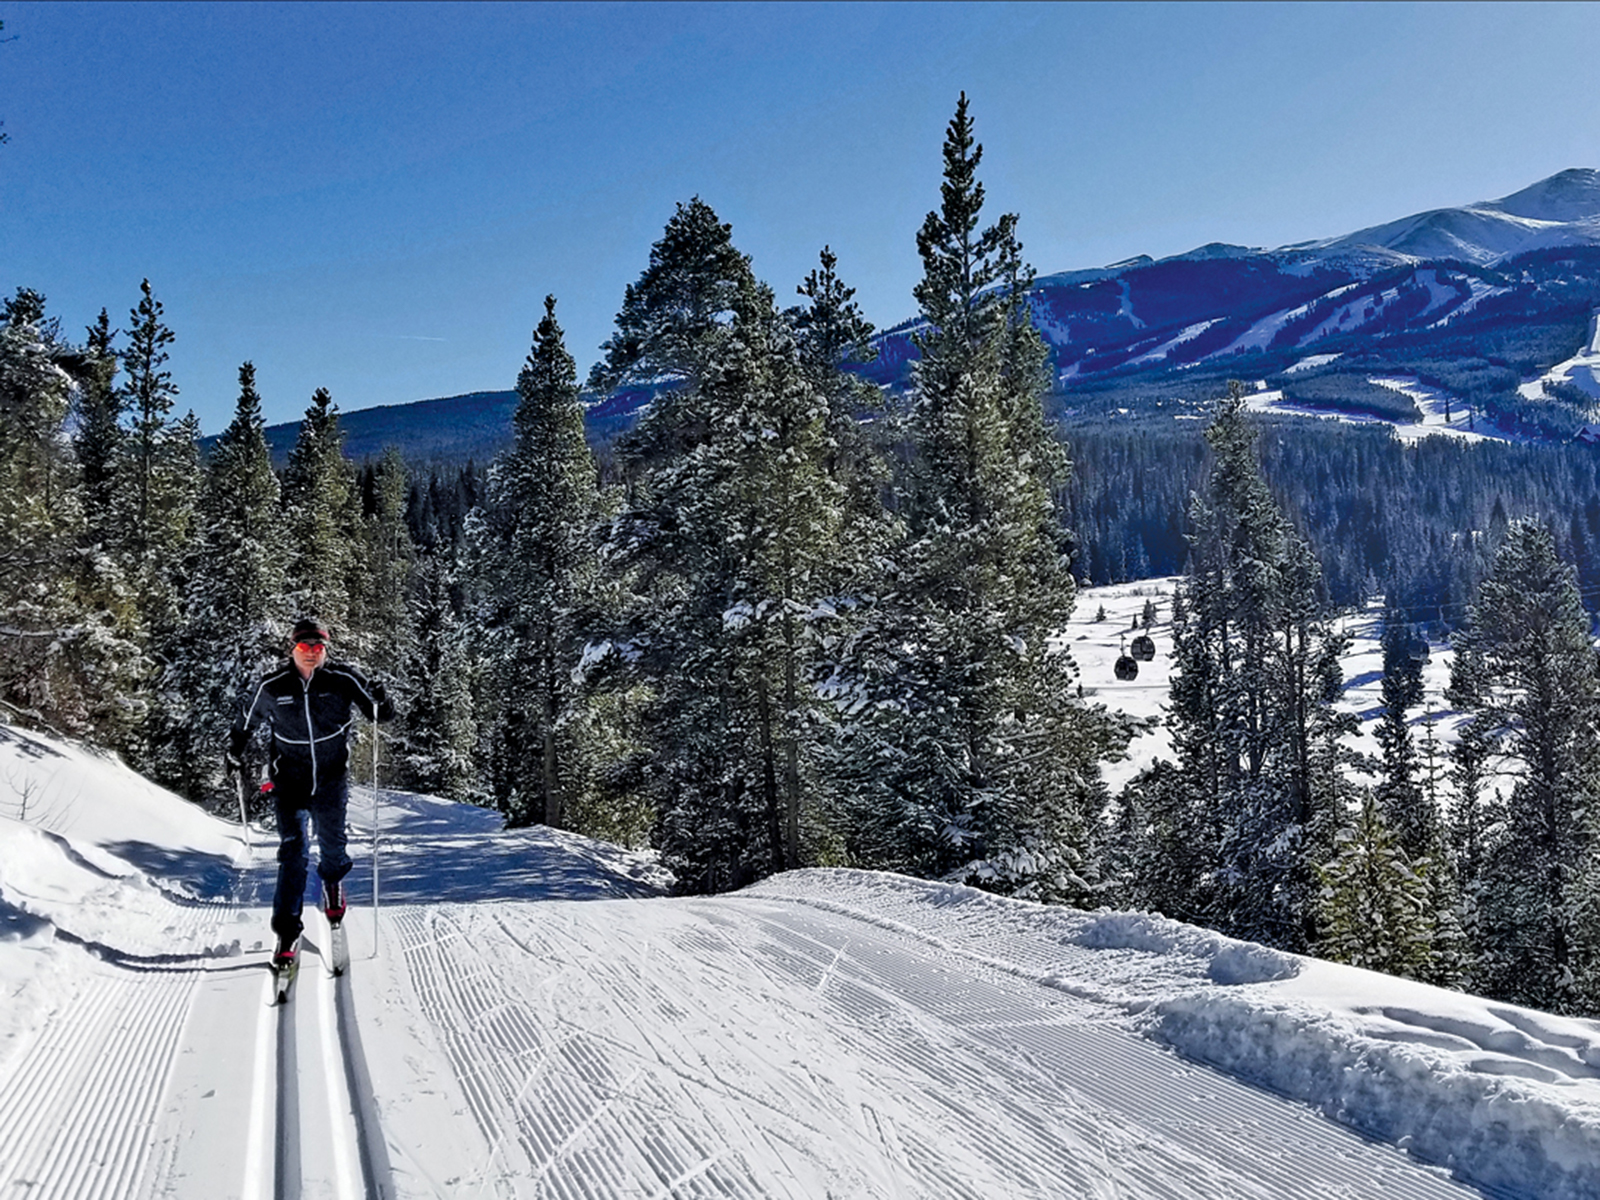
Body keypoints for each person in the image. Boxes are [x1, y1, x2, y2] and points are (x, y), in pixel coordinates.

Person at [228, 618, 395, 971]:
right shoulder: (273, 686)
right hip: (289, 781)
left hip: (332, 779)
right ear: (293, 649)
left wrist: (382, 699)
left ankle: (332, 881)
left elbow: (379, 713)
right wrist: (234, 751)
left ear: (325, 651)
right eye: (304, 647)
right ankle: (287, 933)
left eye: (317, 648)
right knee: (294, 854)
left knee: (333, 845)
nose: (310, 654)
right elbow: (247, 719)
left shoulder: (342, 679)